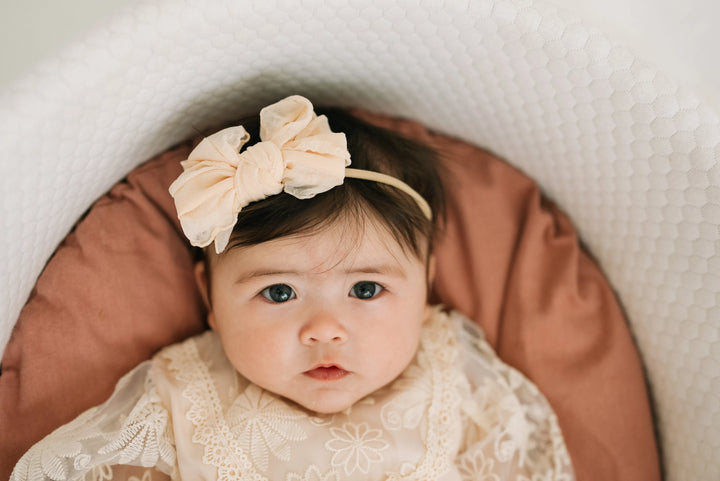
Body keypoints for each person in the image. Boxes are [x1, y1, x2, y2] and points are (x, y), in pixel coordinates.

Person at [11, 95, 575, 481]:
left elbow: (526, 459)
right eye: (279, 293)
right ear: (210, 299)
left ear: (426, 289)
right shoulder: (182, 392)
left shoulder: (452, 369)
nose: (325, 329)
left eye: (367, 290)